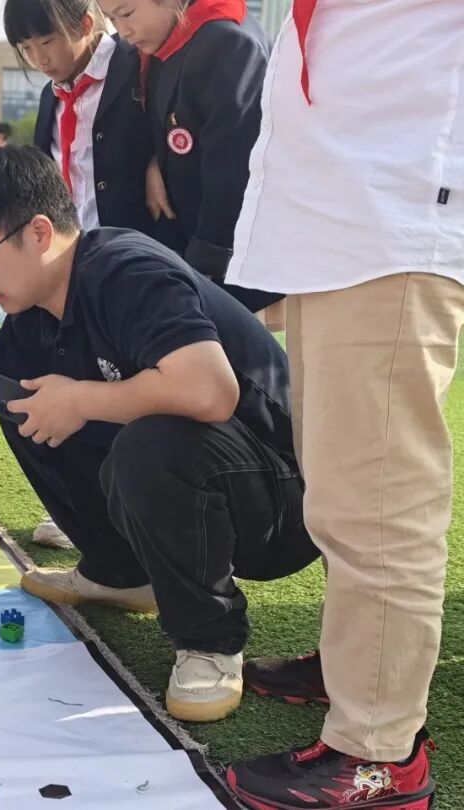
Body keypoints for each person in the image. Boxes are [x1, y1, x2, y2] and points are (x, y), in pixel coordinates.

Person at [0, 146, 318, 722]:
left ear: (39, 232)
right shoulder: (34, 316)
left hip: (285, 505)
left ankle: (210, 639)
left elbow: (210, 392)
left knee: (147, 441)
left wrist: (82, 399)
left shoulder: (128, 271)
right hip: (220, 487)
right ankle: (122, 574)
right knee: (20, 399)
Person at [222, 3, 464, 807]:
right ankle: (358, 668)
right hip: (340, 220)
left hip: (393, 208)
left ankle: (380, 754)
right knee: (341, 488)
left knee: (378, 500)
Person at [6, 0, 155, 552]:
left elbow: (177, 127)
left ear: (86, 24)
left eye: (47, 41)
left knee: (139, 393)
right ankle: (95, 517)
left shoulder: (138, 66)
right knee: (70, 386)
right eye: (27, 49)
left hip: (133, 264)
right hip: (73, 270)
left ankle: (158, 523)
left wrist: (159, 164)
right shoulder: (53, 95)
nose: (40, 58)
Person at [97, 0, 279, 314]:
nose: (122, 31)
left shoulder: (226, 44)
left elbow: (232, 168)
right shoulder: (166, 42)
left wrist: (204, 265)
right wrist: (155, 159)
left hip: (225, 256)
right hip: (185, 243)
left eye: (126, 14)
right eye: (112, 19)